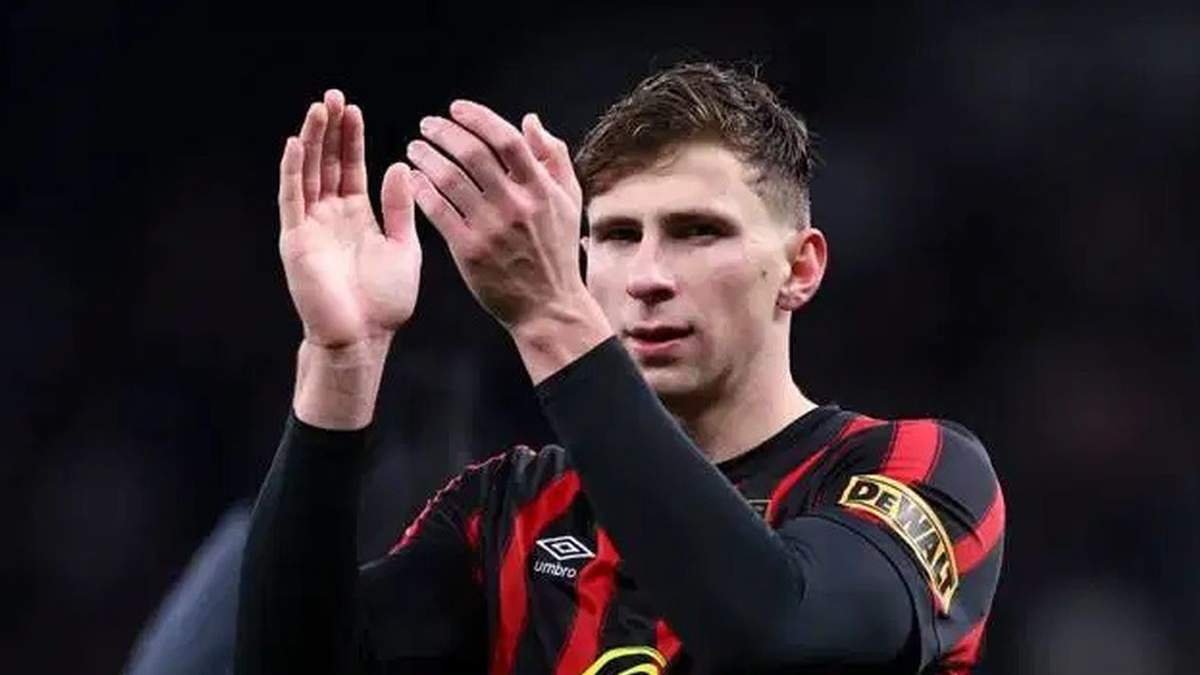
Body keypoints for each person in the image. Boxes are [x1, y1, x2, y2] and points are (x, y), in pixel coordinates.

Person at [235, 62, 1005, 674]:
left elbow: (778, 636)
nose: (648, 276)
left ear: (799, 267)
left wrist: (552, 316)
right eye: (617, 236)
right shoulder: (509, 512)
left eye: (698, 232)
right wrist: (340, 359)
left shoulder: (921, 469)